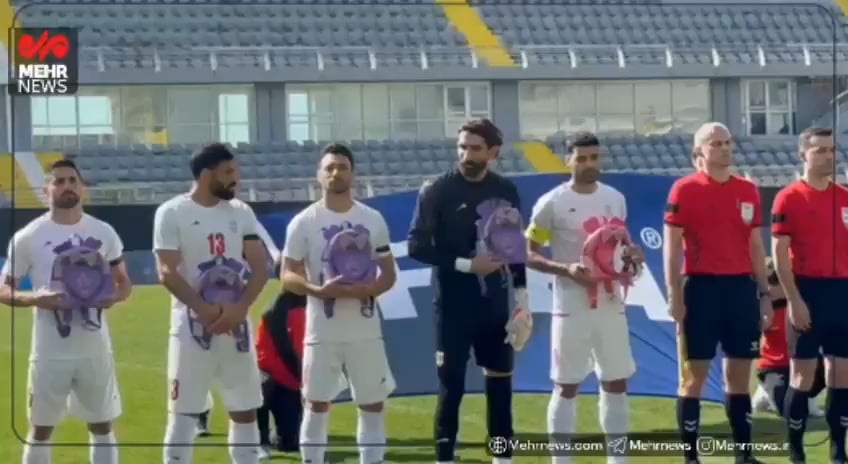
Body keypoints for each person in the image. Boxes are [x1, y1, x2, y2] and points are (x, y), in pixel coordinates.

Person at [407, 118, 532, 464]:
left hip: (494, 305)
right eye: (462, 146)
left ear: (493, 152)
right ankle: (445, 457)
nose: (466, 154)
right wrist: (467, 264)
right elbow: (417, 246)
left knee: (500, 384)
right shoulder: (437, 190)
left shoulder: (506, 190)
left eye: (475, 148)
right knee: (452, 387)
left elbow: (514, 245)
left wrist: (522, 299)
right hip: (451, 307)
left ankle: (503, 458)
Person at [0, 159, 132, 464]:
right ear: (47, 189)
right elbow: (4, 289)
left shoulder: (104, 232)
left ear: (82, 188)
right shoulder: (28, 236)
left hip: (94, 347)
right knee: (41, 428)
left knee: (102, 425)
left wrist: (111, 297)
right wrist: (36, 298)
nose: (67, 186)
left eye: (72, 180)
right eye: (59, 181)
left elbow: (124, 283)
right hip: (49, 349)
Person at [524, 132, 643, 464]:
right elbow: (529, 253)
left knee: (616, 380)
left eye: (594, 157)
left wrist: (631, 257)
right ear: (568, 160)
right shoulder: (552, 203)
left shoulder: (615, 198)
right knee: (566, 385)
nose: (589, 164)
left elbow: (617, 247)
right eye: (582, 158)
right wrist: (566, 269)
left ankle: (618, 459)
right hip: (571, 306)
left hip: (611, 303)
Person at [281, 143, 398, 464]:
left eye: (342, 167)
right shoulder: (303, 222)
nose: (336, 173)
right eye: (329, 167)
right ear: (319, 175)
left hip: (365, 330)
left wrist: (366, 290)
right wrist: (317, 290)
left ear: (353, 173)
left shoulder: (372, 219)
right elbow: (287, 274)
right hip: (322, 331)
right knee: (316, 404)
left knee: (372, 405)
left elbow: (389, 274)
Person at [663, 122, 772, 464]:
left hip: (740, 289)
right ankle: (691, 457)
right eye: (716, 143)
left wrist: (765, 293)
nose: (725, 148)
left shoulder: (747, 190)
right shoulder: (684, 190)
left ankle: (744, 454)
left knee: (739, 376)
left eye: (728, 142)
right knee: (694, 377)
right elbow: (671, 248)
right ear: (699, 153)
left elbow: (756, 245)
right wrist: (674, 295)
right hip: (701, 289)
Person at [153, 143, 268, 464]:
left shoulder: (241, 213)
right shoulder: (171, 212)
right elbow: (167, 271)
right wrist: (203, 310)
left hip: (236, 329)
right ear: (207, 175)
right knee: (183, 413)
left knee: (245, 410)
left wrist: (240, 308)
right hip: (191, 331)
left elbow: (260, 268)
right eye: (229, 173)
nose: (236, 179)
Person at [770, 127, 848, 464]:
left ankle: (837, 449)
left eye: (832, 150)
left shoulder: (844, 197)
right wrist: (795, 300)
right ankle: (796, 449)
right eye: (820, 151)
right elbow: (778, 253)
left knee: (841, 374)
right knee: (801, 375)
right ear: (803, 155)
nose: (828, 156)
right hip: (807, 292)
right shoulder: (788, 197)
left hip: (842, 293)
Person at [751, 257, 825, 418]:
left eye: (777, 280)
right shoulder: (761, 306)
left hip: (798, 360)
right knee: (789, 412)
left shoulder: (797, 303)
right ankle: (766, 391)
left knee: (833, 361)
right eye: (770, 281)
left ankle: (808, 396)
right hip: (774, 365)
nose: (773, 286)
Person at [255, 259, 306, 459]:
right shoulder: (275, 312)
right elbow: (272, 353)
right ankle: (259, 439)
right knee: (258, 386)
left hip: (293, 382)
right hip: (274, 378)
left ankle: (282, 434)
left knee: (290, 444)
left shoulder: (315, 304)